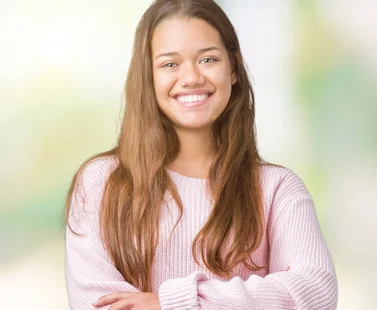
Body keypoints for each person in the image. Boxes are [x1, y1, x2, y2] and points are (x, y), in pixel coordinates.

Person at [63, 0, 338, 309]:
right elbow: (100, 305)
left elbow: (316, 293)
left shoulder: (277, 189)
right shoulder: (101, 183)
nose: (191, 77)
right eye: (170, 64)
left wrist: (170, 303)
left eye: (208, 59)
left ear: (233, 69)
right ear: (148, 77)